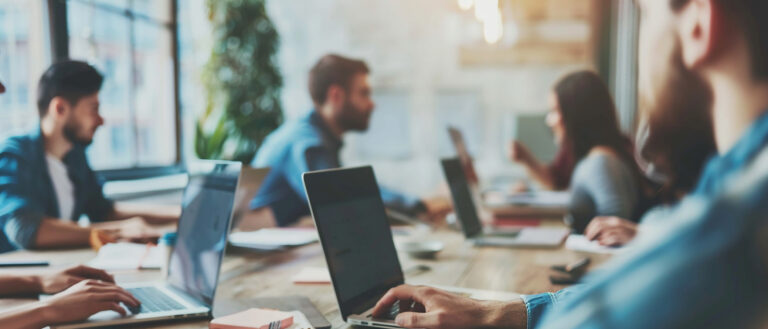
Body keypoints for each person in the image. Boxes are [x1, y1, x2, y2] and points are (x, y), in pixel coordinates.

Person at [371, 0, 768, 328]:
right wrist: (502, 313)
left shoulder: (735, 231)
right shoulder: (728, 187)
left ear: (698, 23)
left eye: (645, 14)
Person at [248, 54, 451, 228]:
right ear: (336, 95)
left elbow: (350, 190)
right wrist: (419, 206)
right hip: (260, 262)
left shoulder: (315, 135)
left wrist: (417, 205)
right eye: (363, 93)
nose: (372, 104)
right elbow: (345, 203)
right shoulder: (308, 143)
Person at [0, 60, 180, 252]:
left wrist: (180, 214)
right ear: (60, 109)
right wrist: (116, 231)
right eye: (94, 108)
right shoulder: (14, 155)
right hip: (23, 275)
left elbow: (104, 212)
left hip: (60, 269)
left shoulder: (74, 156)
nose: (101, 120)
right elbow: (25, 229)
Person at [528, 70, 654, 234]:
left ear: (576, 114)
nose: (550, 120)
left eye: (555, 111)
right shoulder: (596, 159)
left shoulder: (601, 162)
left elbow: (617, 228)